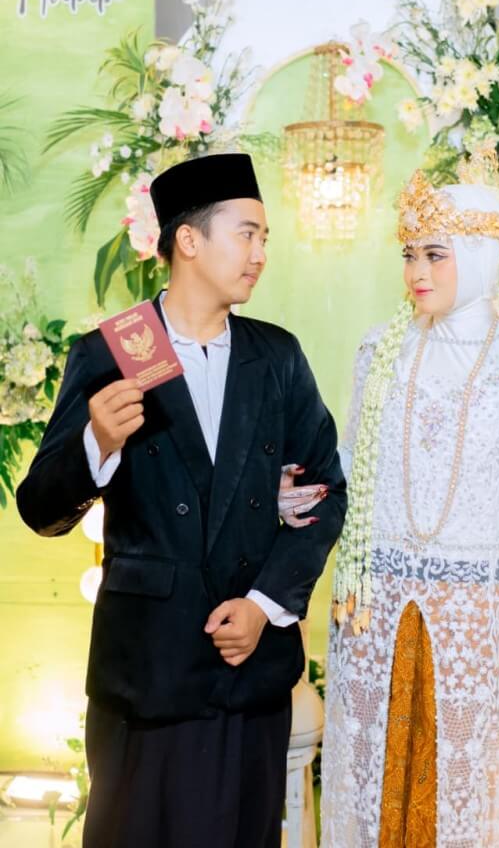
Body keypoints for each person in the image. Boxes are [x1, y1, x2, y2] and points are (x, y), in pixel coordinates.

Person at [17, 152, 346, 848]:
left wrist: (263, 606)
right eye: (246, 234)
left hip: (249, 675)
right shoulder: (113, 351)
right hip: (148, 671)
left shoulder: (276, 357)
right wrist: (97, 443)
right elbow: (40, 509)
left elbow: (325, 493)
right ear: (188, 240)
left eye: (265, 238)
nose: (260, 254)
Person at [320, 170, 499, 848]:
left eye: (436, 254)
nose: (417, 271)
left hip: (468, 615)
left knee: (450, 792)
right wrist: (305, 490)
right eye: (409, 253)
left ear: (483, 256)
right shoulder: (381, 349)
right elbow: (349, 463)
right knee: (372, 789)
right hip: (375, 608)